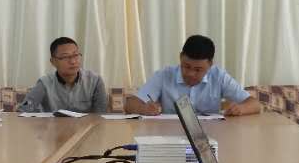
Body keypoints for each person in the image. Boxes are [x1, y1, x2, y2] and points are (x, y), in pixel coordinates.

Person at [126, 35, 259, 117]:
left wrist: (240, 109)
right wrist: (144, 109)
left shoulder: (219, 76)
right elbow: (130, 104)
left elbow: (255, 104)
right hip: (170, 135)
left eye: (198, 69)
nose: (190, 73)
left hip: (211, 135)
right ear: (180, 57)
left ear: (210, 65)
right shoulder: (164, 75)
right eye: (186, 66)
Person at [17, 38, 109, 114]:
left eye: (75, 55)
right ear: (53, 61)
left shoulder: (95, 81)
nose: (73, 61)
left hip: (86, 129)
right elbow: (24, 109)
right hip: (53, 129)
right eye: (65, 57)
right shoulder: (44, 83)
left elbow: (101, 115)